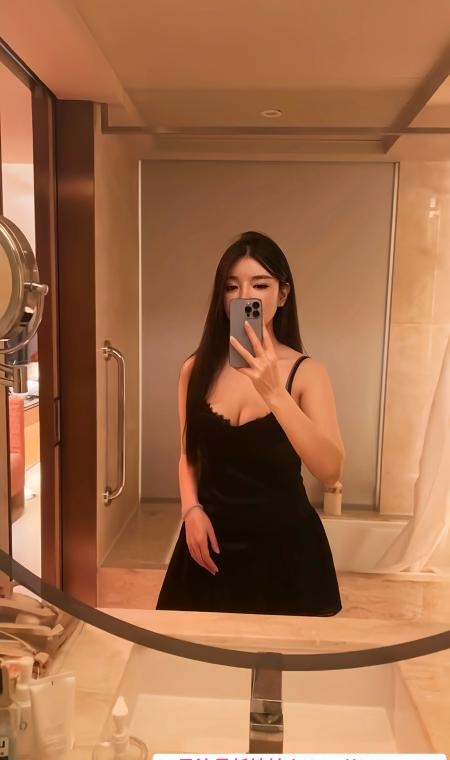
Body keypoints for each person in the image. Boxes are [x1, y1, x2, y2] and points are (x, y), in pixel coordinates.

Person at [156, 231, 344, 615]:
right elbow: (188, 454)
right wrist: (190, 510)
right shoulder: (196, 369)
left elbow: (330, 470)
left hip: (287, 552)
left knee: (280, 654)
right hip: (209, 544)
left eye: (260, 284)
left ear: (283, 294)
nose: (244, 296)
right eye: (231, 286)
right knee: (189, 651)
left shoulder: (307, 373)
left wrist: (275, 394)